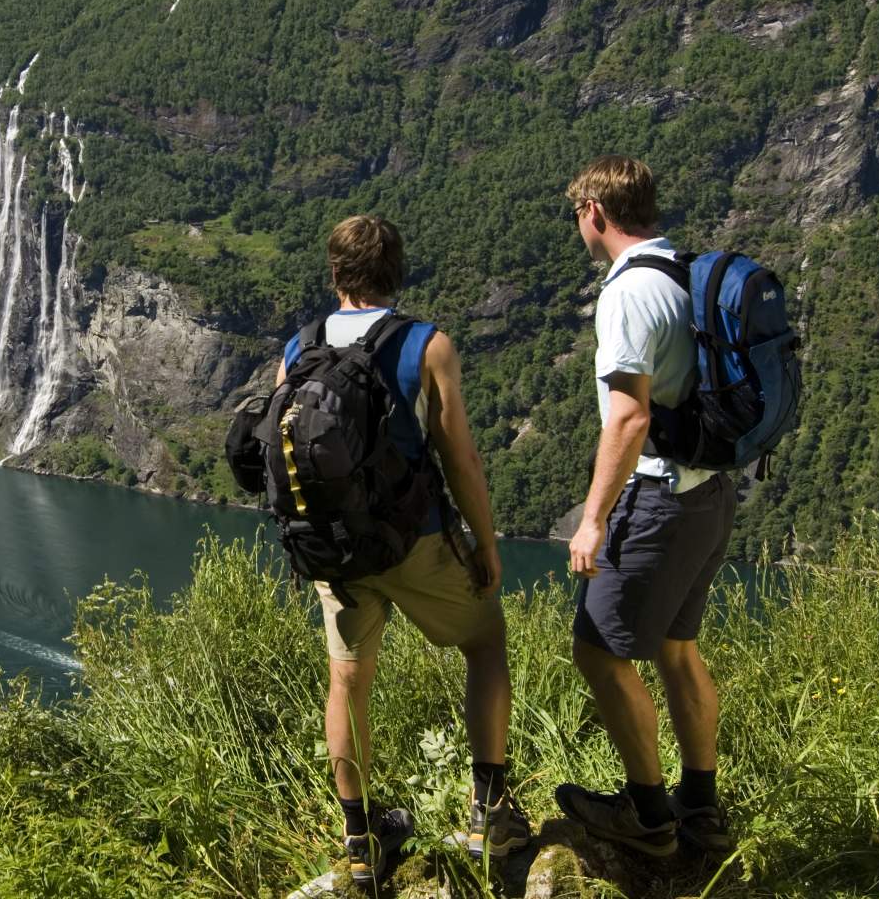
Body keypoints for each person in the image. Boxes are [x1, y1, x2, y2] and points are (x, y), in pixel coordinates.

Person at [275, 214, 528, 886]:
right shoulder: (427, 344)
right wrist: (484, 541)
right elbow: (460, 457)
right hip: (414, 542)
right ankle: (489, 815)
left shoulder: (299, 347)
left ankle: (360, 841)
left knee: (347, 681)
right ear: (397, 272)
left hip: (334, 550)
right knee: (485, 642)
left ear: (335, 272)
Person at [555, 156, 738, 857]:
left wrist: (593, 519)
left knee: (598, 654)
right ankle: (701, 807)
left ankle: (648, 815)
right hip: (709, 492)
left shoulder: (628, 291)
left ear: (594, 212)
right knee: (675, 649)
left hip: (659, 499)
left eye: (577, 215)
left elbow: (629, 418)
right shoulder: (684, 273)